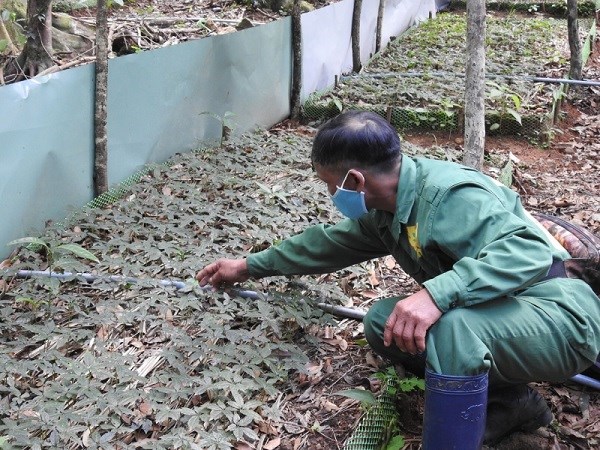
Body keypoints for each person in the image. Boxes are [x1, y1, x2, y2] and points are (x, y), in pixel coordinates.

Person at [196, 110, 600, 448]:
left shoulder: (450, 195)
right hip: (505, 310)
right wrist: (248, 266)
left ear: (354, 180)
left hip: (559, 314)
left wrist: (437, 294)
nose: (332, 194)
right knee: (384, 323)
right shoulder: (389, 207)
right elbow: (328, 244)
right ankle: (512, 403)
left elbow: (529, 250)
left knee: (454, 330)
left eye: (330, 185)